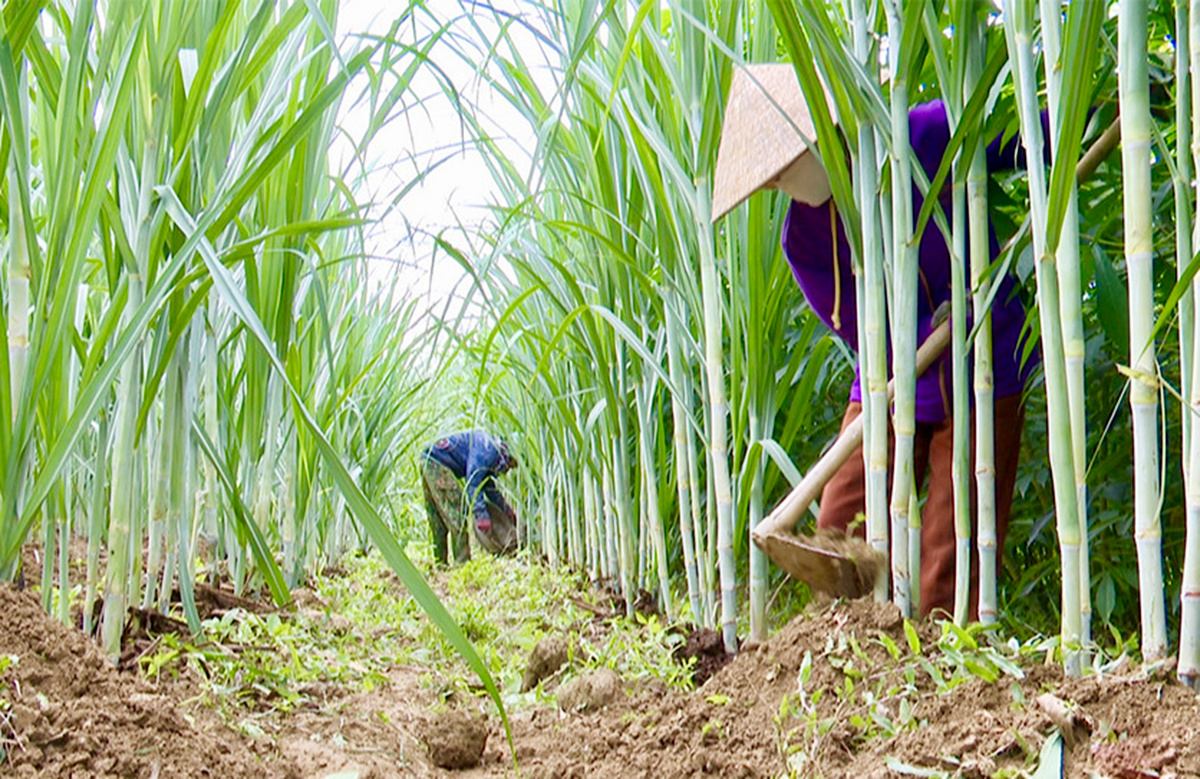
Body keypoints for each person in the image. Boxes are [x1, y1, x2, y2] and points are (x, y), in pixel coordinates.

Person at [712, 64, 1034, 617]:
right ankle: (848, 650)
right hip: (889, 373)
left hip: (982, 357)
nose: (778, 184)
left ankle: (941, 665)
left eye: (783, 168)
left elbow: (1030, 133)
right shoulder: (804, 240)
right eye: (769, 179)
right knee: (838, 520)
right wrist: (907, 353)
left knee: (948, 553)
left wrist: (1112, 110)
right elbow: (859, 331)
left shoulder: (924, 138)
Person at [421, 430, 519, 565]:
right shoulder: (489, 449)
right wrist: (481, 515)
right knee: (457, 511)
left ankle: (440, 563)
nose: (509, 469)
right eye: (512, 464)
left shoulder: (491, 451)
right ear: (509, 454)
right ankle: (462, 563)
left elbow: (488, 487)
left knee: (438, 517)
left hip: (427, 459)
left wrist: (506, 509)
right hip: (437, 462)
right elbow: (473, 481)